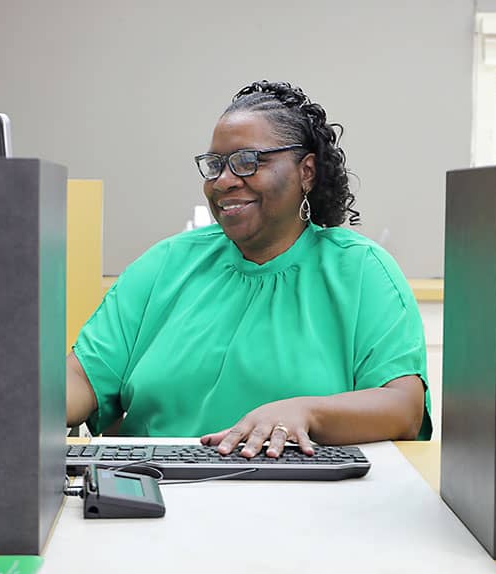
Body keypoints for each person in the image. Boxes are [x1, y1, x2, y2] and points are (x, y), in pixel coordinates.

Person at [67, 80, 431, 458]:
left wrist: (306, 411)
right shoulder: (166, 263)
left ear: (306, 171)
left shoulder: (360, 271)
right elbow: (82, 375)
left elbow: (403, 407)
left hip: (306, 502)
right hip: (153, 491)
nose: (223, 181)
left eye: (248, 161)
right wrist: (22, 404)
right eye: (215, 165)